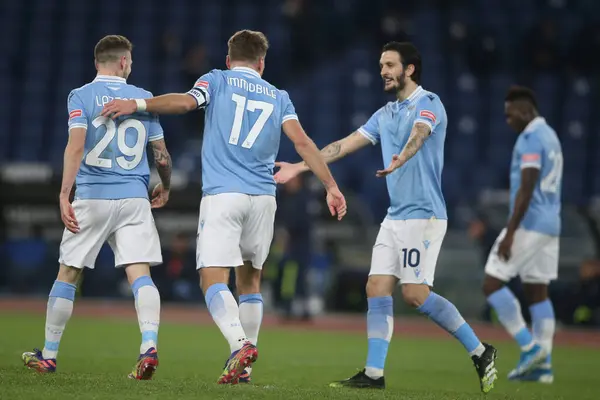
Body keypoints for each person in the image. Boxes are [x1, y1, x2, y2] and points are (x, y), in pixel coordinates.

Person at [101, 29, 347, 384]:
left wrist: (138, 104)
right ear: (262, 63)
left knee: (211, 278)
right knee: (250, 281)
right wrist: (331, 186)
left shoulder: (216, 80)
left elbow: (186, 103)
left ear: (229, 60)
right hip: (263, 199)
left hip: (224, 195)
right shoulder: (279, 97)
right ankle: (243, 370)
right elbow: (303, 142)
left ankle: (239, 345)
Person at [275, 41, 498, 393]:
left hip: (424, 216)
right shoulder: (385, 114)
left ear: (409, 69)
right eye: (381, 65)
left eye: (390, 64)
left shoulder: (430, 103)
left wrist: (402, 157)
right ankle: (374, 374)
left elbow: (420, 134)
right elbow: (345, 144)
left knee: (415, 295)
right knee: (376, 287)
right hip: (395, 216)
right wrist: (301, 167)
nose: (383, 71)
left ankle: (481, 351)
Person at [21, 35, 172, 380]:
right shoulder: (144, 98)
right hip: (135, 199)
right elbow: (161, 153)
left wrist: (64, 193)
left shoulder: (81, 96)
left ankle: (49, 354)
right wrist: (167, 184)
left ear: (97, 62)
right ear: (122, 62)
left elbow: (75, 148)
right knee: (140, 273)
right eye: (130, 60)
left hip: (92, 196)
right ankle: (148, 345)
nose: (131, 64)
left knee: (69, 273)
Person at [482, 86, 562, 384]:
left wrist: (510, 232)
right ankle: (544, 366)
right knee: (537, 292)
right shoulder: (551, 136)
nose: (508, 121)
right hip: (551, 224)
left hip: (530, 223)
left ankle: (530, 349)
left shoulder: (530, 138)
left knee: (491, 283)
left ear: (526, 111)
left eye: (510, 114)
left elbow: (527, 187)